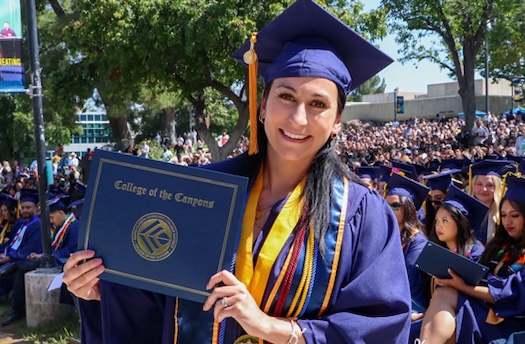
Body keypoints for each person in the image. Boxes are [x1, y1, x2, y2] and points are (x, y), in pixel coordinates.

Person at [63, 1, 412, 343]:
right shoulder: (200, 191)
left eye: (318, 104)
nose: (298, 118)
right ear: (263, 105)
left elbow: (379, 326)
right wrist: (102, 291)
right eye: (286, 97)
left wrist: (272, 328)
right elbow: (157, 298)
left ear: (337, 121)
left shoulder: (361, 215)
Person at [420, 173, 525, 343]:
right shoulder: (501, 246)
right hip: (488, 312)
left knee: (446, 296)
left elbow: (509, 295)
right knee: (444, 300)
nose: (507, 222)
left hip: (511, 323)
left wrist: (461, 286)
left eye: (515, 216)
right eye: (504, 215)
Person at [1, 194, 79, 326]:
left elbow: (70, 250)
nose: (51, 221)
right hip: (56, 258)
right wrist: (41, 254)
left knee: (24, 266)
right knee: (24, 269)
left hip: (64, 262)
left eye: (52, 217)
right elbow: (54, 247)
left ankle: (15, 269)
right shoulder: (60, 227)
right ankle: (17, 309)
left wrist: (45, 256)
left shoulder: (75, 227)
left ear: (61, 212)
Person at [384, 172, 430, 317]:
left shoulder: (418, 241)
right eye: (386, 205)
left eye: (395, 206)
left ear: (408, 209)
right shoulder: (385, 233)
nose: (389, 210)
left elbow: (406, 278)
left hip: (408, 304)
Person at [0, 189, 42, 325]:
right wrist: (5, 253)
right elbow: (14, 244)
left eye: (28, 207)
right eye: (23, 207)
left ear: (36, 208)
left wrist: (8, 258)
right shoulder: (23, 224)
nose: (24, 210)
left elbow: (30, 249)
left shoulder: (36, 225)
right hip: (12, 258)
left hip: (21, 262)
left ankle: (16, 310)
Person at [468, 160, 517, 244]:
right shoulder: (464, 212)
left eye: (490, 185)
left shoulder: (503, 216)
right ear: (473, 185)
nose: (484, 189)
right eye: (479, 184)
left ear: (497, 188)